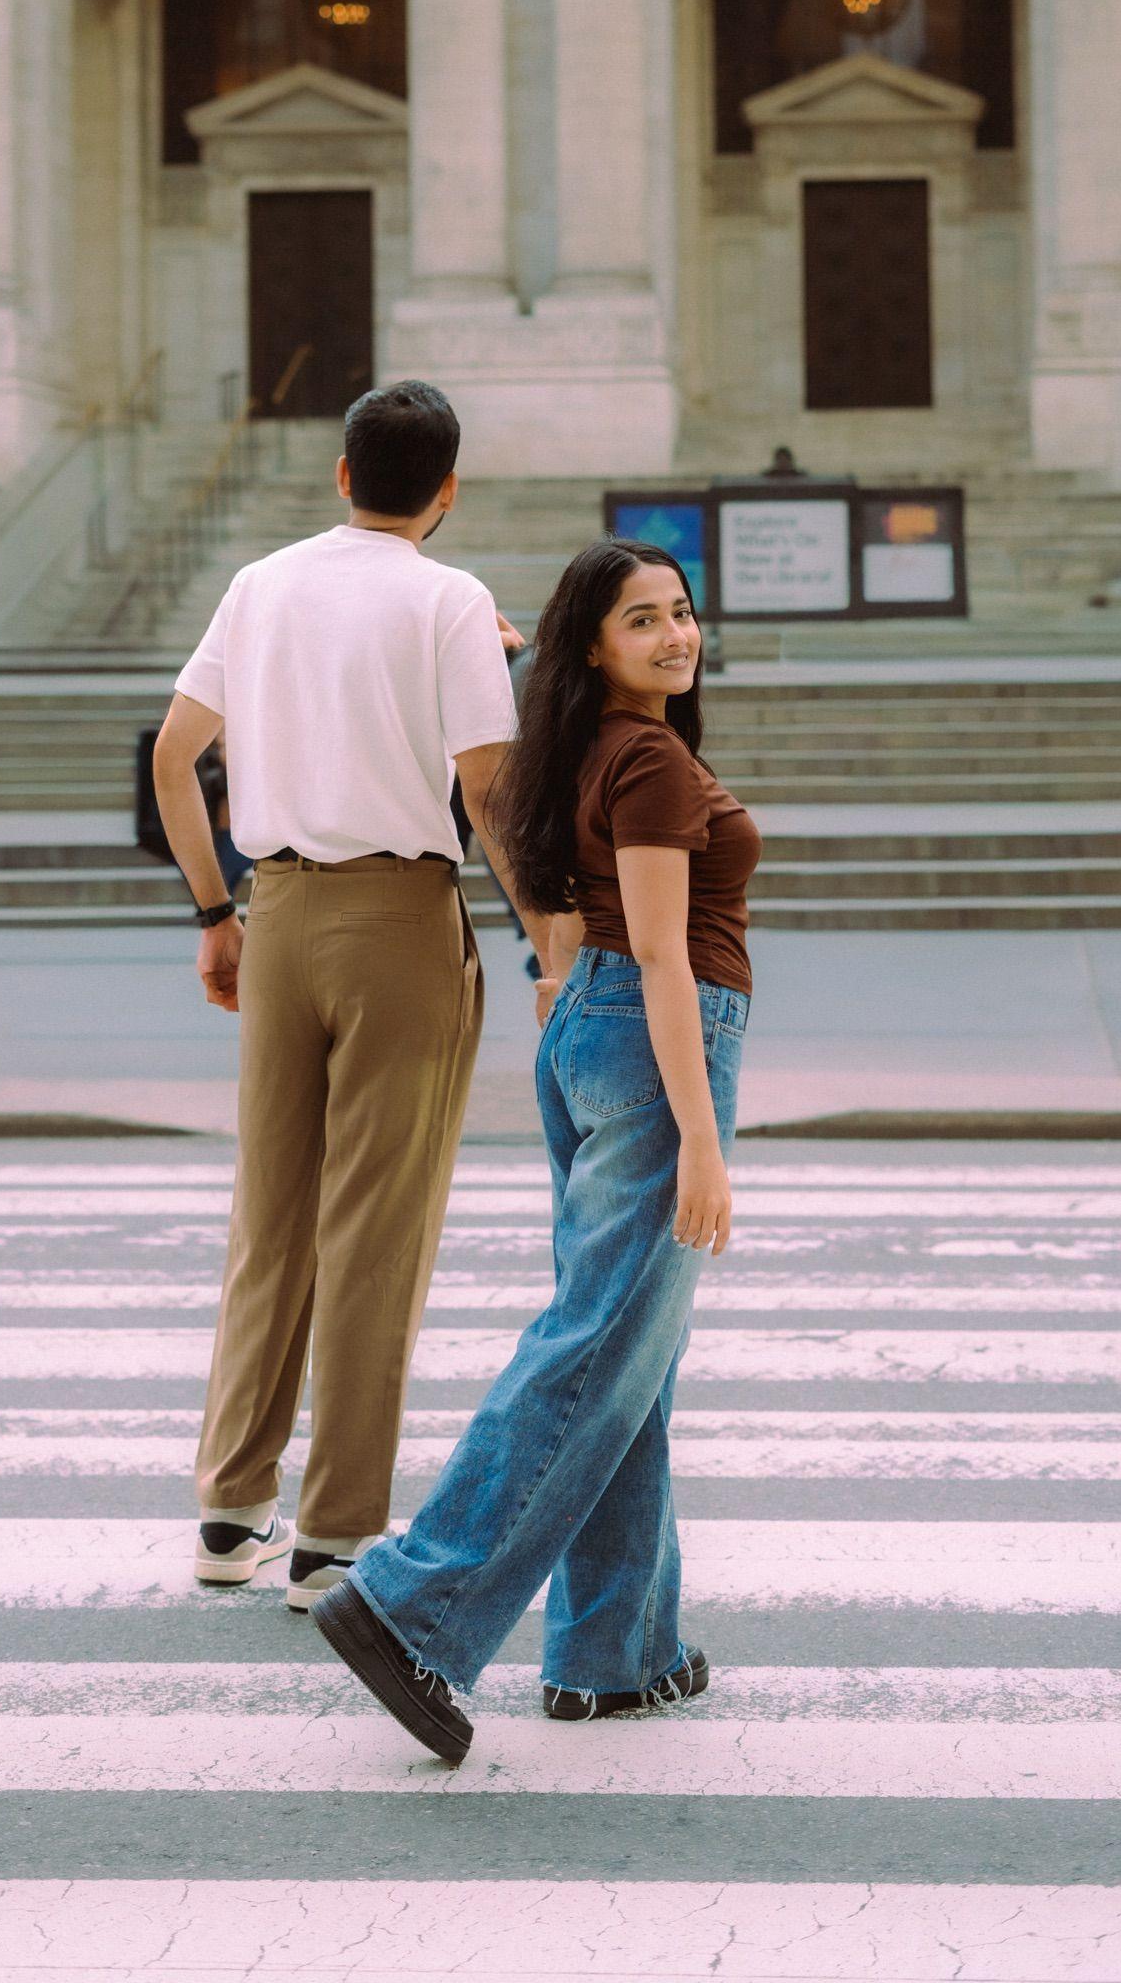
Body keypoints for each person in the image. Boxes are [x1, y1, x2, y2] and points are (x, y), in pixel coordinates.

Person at [311, 537, 762, 1765]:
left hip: (587, 1027)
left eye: (681, 612)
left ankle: (616, 1657)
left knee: (626, 1354)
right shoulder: (654, 761)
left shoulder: (586, 748)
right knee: (595, 1348)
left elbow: (585, 925)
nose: (675, 634)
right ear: (596, 645)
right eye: (641, 621)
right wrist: (705, 1144)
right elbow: (667, 956)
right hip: (657, 1042)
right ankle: (413, 1602)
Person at [152, 382, 540, 1603]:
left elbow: (173, 757)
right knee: (377, 1225)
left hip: (274, 909)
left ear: (340, 474)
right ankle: (333, 1536)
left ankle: (230, 1510)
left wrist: (216, 914)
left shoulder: (261, 584)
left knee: (270, 1213)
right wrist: (550, 937)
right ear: (447, 491)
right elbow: (485, 789)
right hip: (399, 917)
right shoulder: (452, 599)